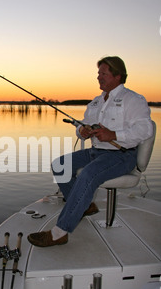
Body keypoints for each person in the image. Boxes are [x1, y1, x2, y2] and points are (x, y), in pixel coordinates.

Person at [27, 56, 153, 247]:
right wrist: (82, 131)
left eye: (104, 74)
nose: (99, 77)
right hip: (96, 152)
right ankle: (84, 206)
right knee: (60, 165)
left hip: (122, 155)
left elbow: (145, 130)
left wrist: (113, 134)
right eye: (98, 74)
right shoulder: (95, 102)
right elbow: (82, 125)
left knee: (88, 174)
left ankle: (60, 232)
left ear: (118, 76)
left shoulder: (133, 100)